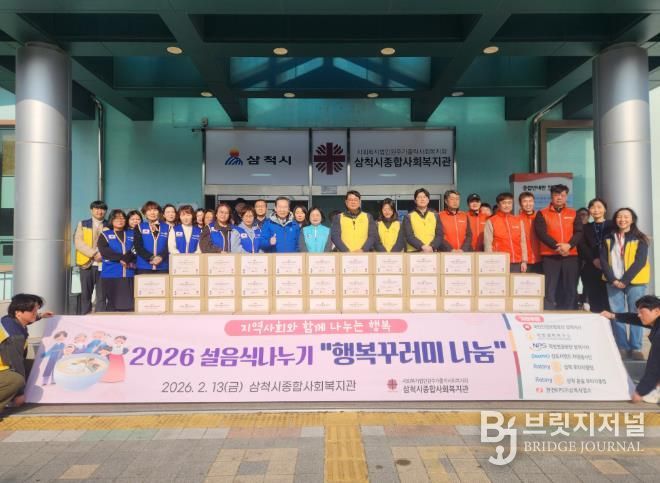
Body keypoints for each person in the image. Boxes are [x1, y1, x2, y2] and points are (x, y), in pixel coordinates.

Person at [600, 207, 651, 360]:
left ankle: (636, 347)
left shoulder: (640, 238)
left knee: (637, 313)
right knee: (617, 313)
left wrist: (624, 280)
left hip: (635, 281)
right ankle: (622, 346)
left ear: (632, 219)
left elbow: (640, 262)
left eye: (626, 217)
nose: (622, 219)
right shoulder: (608, 238)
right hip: (613, 282)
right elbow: (603, 261)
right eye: (619, 216)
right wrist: (613, 279)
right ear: (615, 219)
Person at [601, 295, 660, 403]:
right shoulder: (655, 321)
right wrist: (613, 315)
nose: (639, 315)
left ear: (657, 311)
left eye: (642, 312)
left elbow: (655, 364)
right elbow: (635, 318)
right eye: (638, 312)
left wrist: (640, 391)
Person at [0, 294, 53, 412]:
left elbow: (26, 320)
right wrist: (20, 393)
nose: (35, 313)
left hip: (4, 366)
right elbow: (15, 364)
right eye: (33, 311)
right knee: (16, 380)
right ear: (18, 312)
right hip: (4, 368)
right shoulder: (14, 336)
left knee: (34, 367)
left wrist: (41, 316)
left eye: (37, 310)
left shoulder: (9, 321)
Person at [534, 184, 583, 310]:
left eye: (562, 195)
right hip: (550, 256)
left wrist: (569, 245)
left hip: (570, 255)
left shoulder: (573, 213)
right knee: (549, 287)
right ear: (551, 196)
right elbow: (541, 233)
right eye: (556, 195)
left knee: (570, 286)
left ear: (566, 196)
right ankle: (549, 312)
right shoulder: (542, 213)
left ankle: (570, 312)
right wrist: (558, 247)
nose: (559, 198)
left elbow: (579, 232)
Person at [578, 198, 613, 313]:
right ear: (589, 210)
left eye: (599, 207)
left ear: (605, 209)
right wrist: (593, 259)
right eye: (593, 207)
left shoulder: (612, 225)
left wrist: (604, 260)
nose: (596, 210)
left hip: (610, 266)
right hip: (591, 266)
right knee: (594, 299)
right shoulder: (585, 227)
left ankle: (613, 323)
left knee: (610, 299)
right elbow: (582, 245)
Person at [98, 209, 136, 312]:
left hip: (129, 273)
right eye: (116, 218)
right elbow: (104, 251)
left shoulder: (132, 233)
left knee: (129, 305)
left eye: (122, 218)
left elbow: (136, 248)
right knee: (113, 305)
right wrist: (121, 258)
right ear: (111, 220)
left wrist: (127, 258)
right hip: (111, 274)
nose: (120, 220)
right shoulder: (105, 234)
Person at [74, 200, 107, 314]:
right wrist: (94, 254)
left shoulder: (109, 225)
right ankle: (85, 318)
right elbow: (78, 242)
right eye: (96, 209)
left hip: (103, 264)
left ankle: (100, 319)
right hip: (86, 264)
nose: (99, 211)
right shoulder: (83, 224)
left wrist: (102, 254)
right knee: (86, 294)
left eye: (102, 209)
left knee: (102, 295)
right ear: (91, 210)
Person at [484, 192, 528, 272]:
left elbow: (523, 242)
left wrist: (524, 261)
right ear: (498, 204)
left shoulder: (518, 221)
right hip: (498, 262)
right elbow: (488, 244)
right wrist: (490, 261)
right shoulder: (491, 221)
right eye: (504, 203)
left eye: (509, 203)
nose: (507, 205)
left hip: (517, 262)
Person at [134, 201, 170, 274]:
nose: (152, 213)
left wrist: (161, 257)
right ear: (145, 214)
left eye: (155, 210)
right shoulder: (139, 227)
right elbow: (138, 246)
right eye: (149, 210)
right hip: (144, 266)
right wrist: (151, 257)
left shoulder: (168, 227)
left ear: (159, 212)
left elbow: (169, 246)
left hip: (163, 266)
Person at [403, 188, 443, 253]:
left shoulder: (435, 215)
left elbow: (439, 235)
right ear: (415, 200)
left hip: (432, 251)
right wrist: (422, 246)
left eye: (424, 197)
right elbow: (409, 236)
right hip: (414, 252)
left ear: (428, 200)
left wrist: (432, 247)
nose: (422, 199)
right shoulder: (408, 216)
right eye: (419, 197)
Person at [518, 191, 542, 274]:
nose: (528, 204)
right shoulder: (516, 220)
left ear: (534, 202)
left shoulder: (540, 218)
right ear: (520, 203)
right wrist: (522, 260)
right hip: (523, 261)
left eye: (530, 201)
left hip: (541, 259)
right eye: (525, 201)